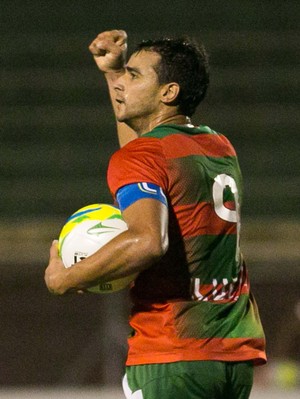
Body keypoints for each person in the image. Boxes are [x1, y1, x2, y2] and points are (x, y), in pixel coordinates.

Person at [45, 29, 266, 399]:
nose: (122, 85)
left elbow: (147, 242)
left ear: (169, 92)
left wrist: (66, 278)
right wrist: (113, 74)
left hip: (172, 355)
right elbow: (146, 155)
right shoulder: (218, 146)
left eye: (134, 76)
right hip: (233, 352)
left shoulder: (143, 156)